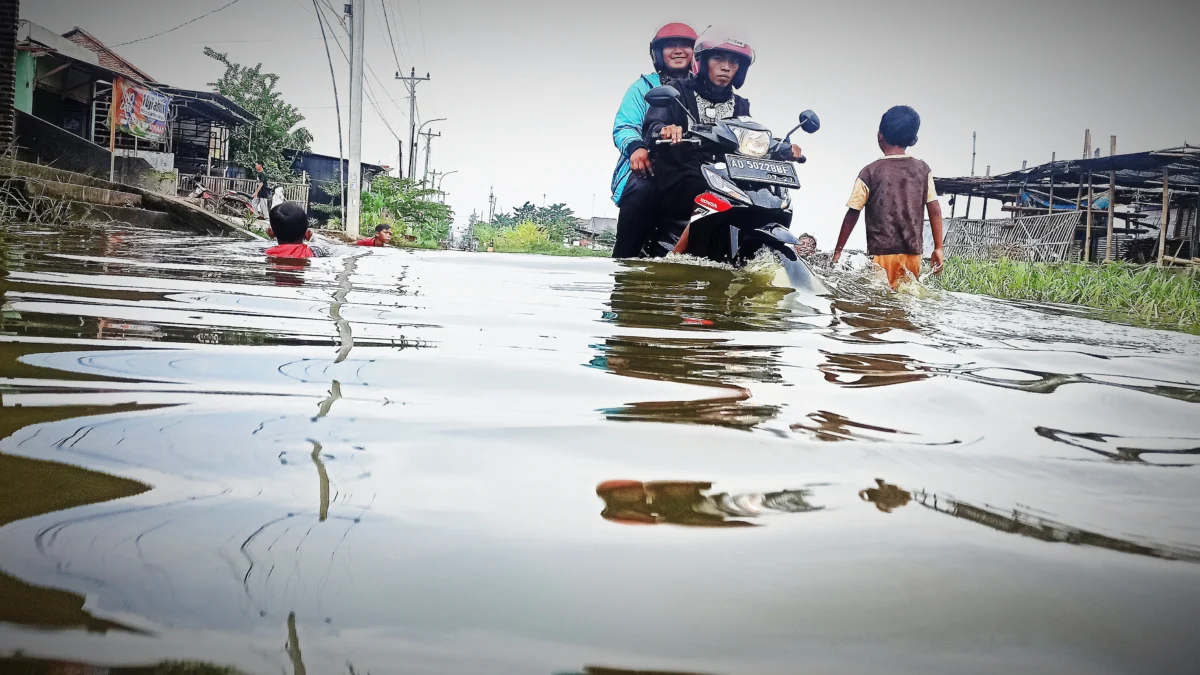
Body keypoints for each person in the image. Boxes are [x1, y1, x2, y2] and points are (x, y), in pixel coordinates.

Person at [643, 29, 802, 237]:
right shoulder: (678, 91)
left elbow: (747, 135)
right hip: (682, 172)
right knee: (685, 190)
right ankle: (672, 254)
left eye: (734, 62)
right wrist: (665, 130)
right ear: (703, 61)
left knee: (763, 196)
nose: (726, 67)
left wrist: (783, 148)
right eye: (718, 58)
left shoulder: (741, 105)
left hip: (729, 176)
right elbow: (653, 124)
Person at [831, 106, 945, 289]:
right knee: (906, 302)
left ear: (880, 135)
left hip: (881, 253)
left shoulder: (870, 172)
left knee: (881, 302)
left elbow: (852, 214)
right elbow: (935, 209)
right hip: (913, 254)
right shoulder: (923, 170)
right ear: (913, 139)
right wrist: (938, 248)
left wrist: (838, 252)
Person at [610, 22, 697, 258]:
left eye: (685, 45)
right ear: (658, 53)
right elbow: (625, 125)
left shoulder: (704, 88)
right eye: (671, 45)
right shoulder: (642, 87)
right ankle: (624, 262)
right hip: (650, 166)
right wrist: (636, 148)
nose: (678, 50)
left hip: (694, 168)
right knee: (641, 190)